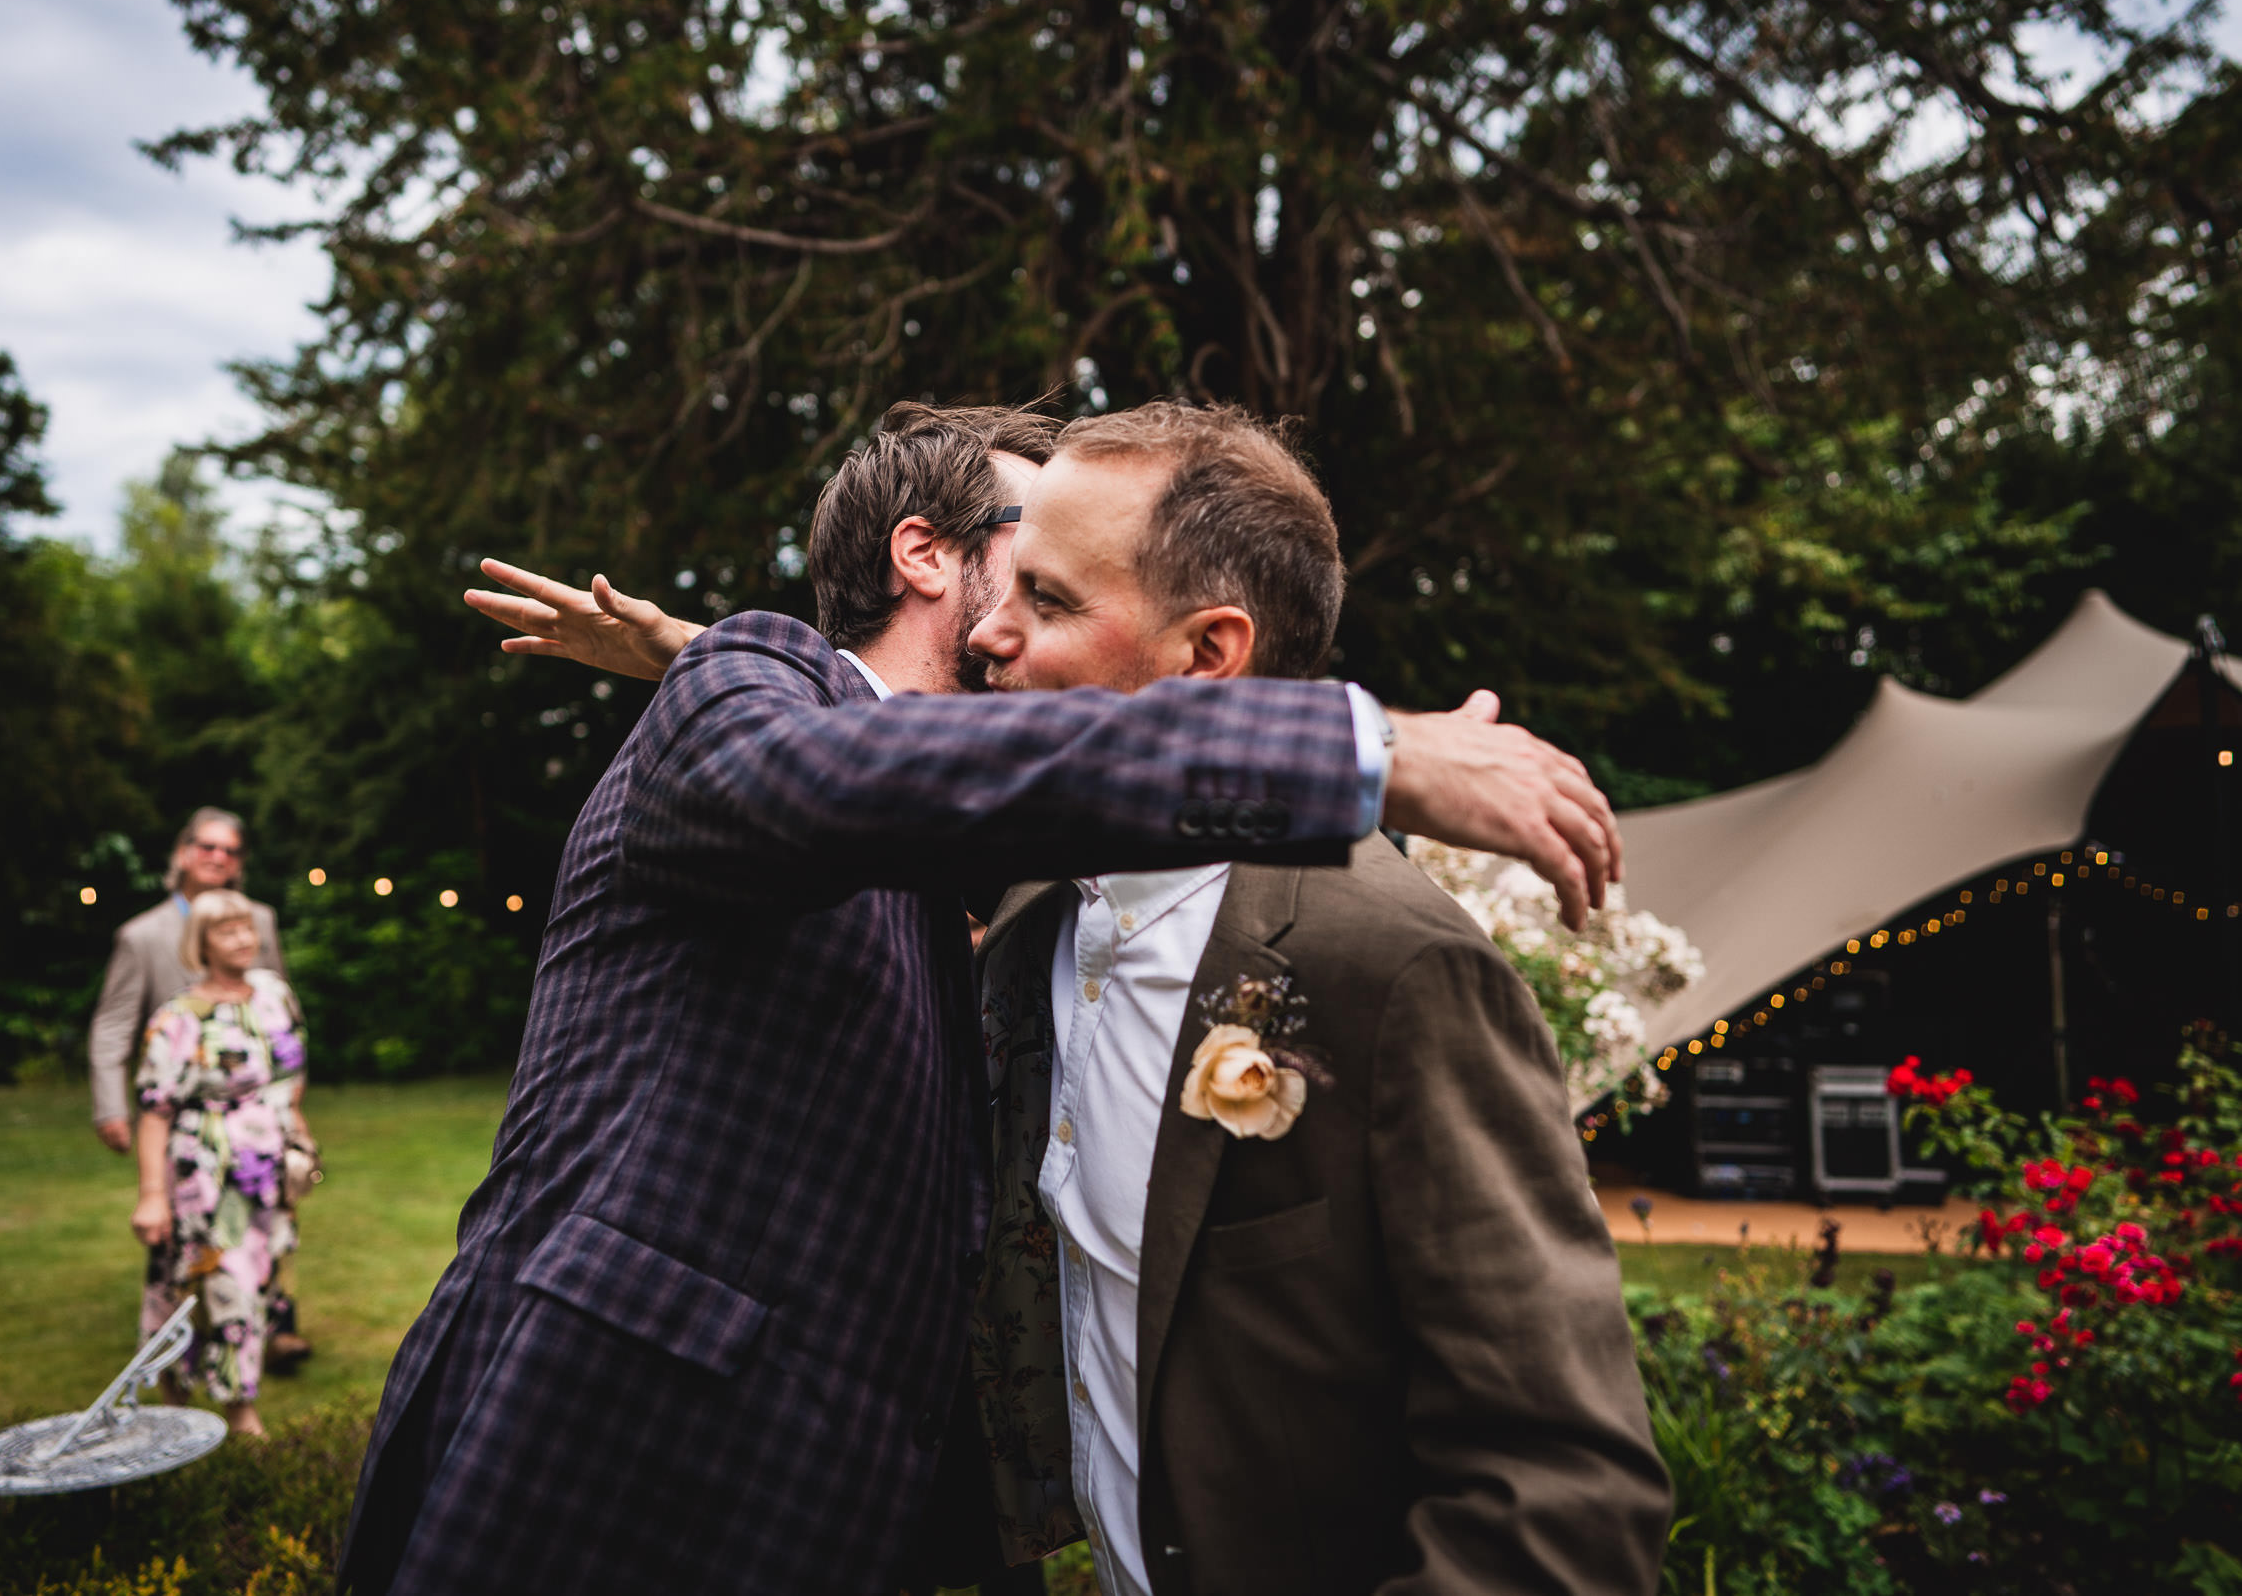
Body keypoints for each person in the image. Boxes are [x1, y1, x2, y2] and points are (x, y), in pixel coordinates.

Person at [338, 403, 1620, 1595]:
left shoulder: (1019, 894)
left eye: (1056, 592)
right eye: (1024, 564)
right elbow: (834, 765)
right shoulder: (754, 699)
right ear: (925, 557)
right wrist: (1356, 744)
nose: (1011, 627)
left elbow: (959, 779)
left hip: (815, 1520)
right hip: (603, 1480)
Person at [90, 808, 308, 1370]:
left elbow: (281, 1015)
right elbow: (114, 1023)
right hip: (184, 1115)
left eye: (230, 851)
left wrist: (290, 1111)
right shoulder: (141, 935)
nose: (218, 858)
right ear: (183, 853)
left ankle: (273, 1326)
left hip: (256, 1114)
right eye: (207, 847)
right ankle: (187, 1352)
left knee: (267, 1216)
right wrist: (111, 1106)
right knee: (185, 1236)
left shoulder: (257, 917)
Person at [132, 886, 314, 1438]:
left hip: (264, 1169)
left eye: (246, 927)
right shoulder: (178, 1018)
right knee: (211, 1279)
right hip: (203, 1172)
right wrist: (152, 1195)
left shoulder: (273, 994)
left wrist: (298, 1140)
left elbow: (290, 1073)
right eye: (226, 930)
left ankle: (178, 1395)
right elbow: (155, 1112)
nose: (243, 939)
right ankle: (238, 1412)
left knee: (256, 1280)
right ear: (201, 944)